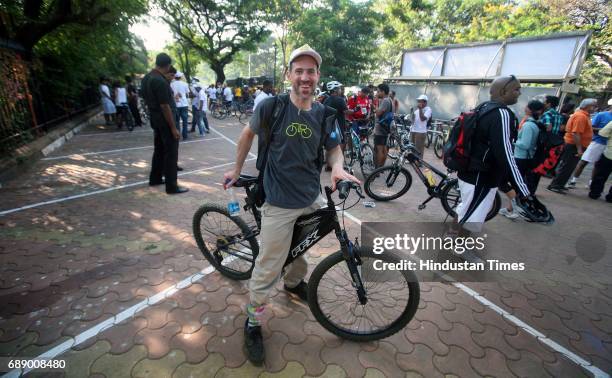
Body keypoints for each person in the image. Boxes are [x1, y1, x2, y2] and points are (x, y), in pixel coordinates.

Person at [222, 44, 359, 366]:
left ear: (318, 76)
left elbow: (334, 149)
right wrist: (237, 169)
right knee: (269, 266)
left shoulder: (325, 114)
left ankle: (295, 283)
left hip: (311, 197)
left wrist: (337, 166)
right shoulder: (272, 107)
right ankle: (253, 322)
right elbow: (246, 135)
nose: (305, 77)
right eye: (299, 71)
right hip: (278, 201)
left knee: (303, 247)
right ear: (289, 75)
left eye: (310, 71)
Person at [456, 75, 531, 231]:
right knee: (472, 216)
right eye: (517, 89)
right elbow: (505, 153)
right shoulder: (501, 114)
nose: (519, 93)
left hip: (469, 171)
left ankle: (454, 242)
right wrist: (522, 189)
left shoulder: (483, 107)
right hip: (482, 177)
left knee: (466, 211)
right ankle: (458, 248)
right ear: (503, 91)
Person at [140, 53, 188, 195]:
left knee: (159, 150)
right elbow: (165, 106)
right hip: (166, 122)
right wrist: (173, 128)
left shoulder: (147, 78)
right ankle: (171, 186)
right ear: (167, 66)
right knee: (171, 154)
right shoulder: (160, 81)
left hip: (156, 120)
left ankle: (155, 178)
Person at [499, 100, 545, 219]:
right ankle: (511, 208)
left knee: (503, 181)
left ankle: (517, 208)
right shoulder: (533, 123)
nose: (525, 107)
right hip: (523, 158)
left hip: (520, 158)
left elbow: (525, 144)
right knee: (515, 184)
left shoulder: (529, 125)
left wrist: (512, 140)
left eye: (527, 106)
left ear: (530, 109)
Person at [547, 98, 597, 193]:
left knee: (568, 166)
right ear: (587, 106)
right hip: (573, 145)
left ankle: (559, 184)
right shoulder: (581, 116)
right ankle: (555, 185)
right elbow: (576, 133)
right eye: (594, 106)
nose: (595, 108)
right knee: (567, 166)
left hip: (574, 145)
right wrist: (579, 149)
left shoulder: (583, 115)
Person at [567, 99, 611, 188]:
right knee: (584, 161)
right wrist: (604, 130)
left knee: (598, 165)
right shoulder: (601, 115)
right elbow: (591, 128)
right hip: (597, 142)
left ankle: (592, 182)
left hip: (609, 145)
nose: (595, 108)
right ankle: (573, 180)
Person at [323, 81, 353, 152]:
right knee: (341, 144)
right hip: (338, 125)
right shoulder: (340, 100)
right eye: (339, 88)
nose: (340, 90)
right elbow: (346, 111)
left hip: (329, 126)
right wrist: (354, 111)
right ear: (335, 90)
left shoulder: (326, 100)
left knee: (330, 146)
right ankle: (340, 160)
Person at [589, 120, 612, 201]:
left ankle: (595, 193)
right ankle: (610, 197)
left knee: (601, 175)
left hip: (609, 153)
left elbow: (602, 133)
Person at [373, 83, 394, 168]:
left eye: (378, 92)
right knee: (384, 148)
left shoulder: (385, 101)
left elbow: (378, 113)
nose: (377, 93)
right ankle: (381, 167)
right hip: (386, 128)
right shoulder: (390, 100)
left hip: (380, 128)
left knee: (379, 150)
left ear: (383, 91)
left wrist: (376, 105)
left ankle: (377, 169)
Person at [170, 72, 190, 140]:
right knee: (185, 121)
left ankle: (178, 135)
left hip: (175, 105)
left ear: (174, 77)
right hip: (184, 104)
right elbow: (188, 93)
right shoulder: (185, 84)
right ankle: (185, 136)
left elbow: (171, 94)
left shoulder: (171, 84)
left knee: (177, 121)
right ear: (180, 77)